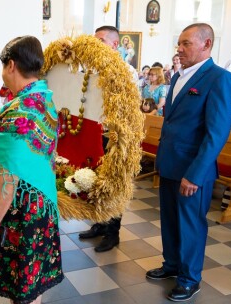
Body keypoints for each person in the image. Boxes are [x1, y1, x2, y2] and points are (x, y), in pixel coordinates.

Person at [0, 35, 63, 304]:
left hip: (20, 214)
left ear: (11, 65)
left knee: (23, 292)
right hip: (38, 209)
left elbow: (8, 179)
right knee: (30, 289)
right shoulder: (43, 99)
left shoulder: (22, 112)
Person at [146, 23, 231, 302]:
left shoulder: (220, 78)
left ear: (206, 44)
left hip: (193, 169)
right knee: (170, 220)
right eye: (179, 43)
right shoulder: (178, 77)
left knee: (191, 225)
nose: (179, 49)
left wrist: (195, 174)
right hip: (171, 163)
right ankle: (172, 264)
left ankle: (189, 278)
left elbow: (216, 134)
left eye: (186, 43)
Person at [78, 25, 138, 252]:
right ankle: (99, 223)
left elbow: (127, 109)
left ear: (115, 44)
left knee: (114, 184)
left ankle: (113, 233)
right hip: (95, 133)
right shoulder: (93, 70)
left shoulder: (126, 72)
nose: (95, 45)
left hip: (115, 136)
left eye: (100, 41)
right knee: (96, 179)